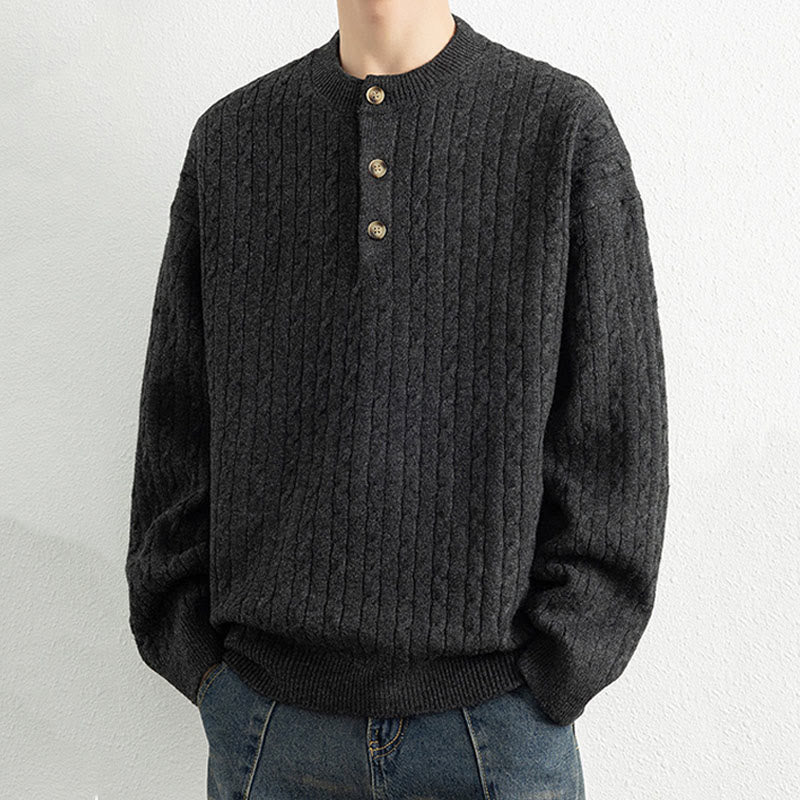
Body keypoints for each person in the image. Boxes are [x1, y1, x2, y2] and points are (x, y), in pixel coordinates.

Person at [125, 1, 669, 797]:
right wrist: (202, 665)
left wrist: (563, 663)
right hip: (272, 728)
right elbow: (175, 424)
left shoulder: (561, 129)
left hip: (498, 729)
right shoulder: (232, 140)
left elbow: (617, 431)